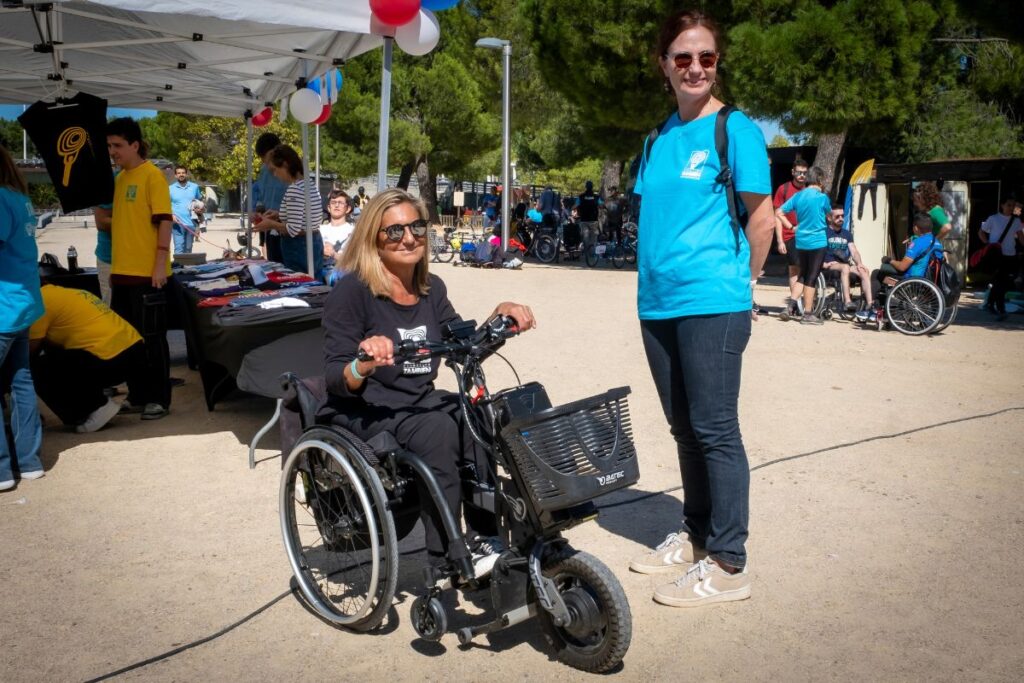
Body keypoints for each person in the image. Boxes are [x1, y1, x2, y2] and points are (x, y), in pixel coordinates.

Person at [626, 9, 774, 607]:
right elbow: (655, 219)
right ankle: (694, 536)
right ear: (664, 65)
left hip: (713, 300)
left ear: (718, 64)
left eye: (706, 58)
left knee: (715, 431)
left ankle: (729, 562)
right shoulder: (656, 139)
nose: (694, 67)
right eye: (682, 57)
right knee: (683, 428)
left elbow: (760, 219)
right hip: (656, 303)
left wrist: (742, 286)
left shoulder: (735, 129)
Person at [321, 188, 536, 576]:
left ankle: (487, 538)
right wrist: (364, 361)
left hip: (416, 402)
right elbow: (336, 378)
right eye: (394, 231)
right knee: (437, 428)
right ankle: (446, 561)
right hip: (366, 409)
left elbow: (461, 346)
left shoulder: (430, 288)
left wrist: (499, 320)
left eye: (416, 227)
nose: (408, 238)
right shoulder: (352, 292)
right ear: (373, 239)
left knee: (477, 414)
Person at [105, 117, 172, 421]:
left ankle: (158, 399)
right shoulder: (119, 179)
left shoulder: (152, 176)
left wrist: (159, 263)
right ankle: (139, 393)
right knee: (128, 339)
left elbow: (165, 221)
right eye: (109, 145)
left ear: (134, 145)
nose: (112, 151)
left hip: (148, 275)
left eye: (117, 145)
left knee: (153, 338)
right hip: (121, 273)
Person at [28, 281, 146, 433]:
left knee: (38, 368)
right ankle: (98, 404)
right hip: (134, 351)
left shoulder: (39, 301)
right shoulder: (66, 292)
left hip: (111, 359)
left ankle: (95, 407)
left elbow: (30, 349)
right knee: (57, 356)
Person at [0, 143, 45, 491]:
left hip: (4, 307)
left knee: (20, 381)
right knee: (21, 380)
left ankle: (2, 470)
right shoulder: (20, 197)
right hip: (23, 302)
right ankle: (29, 461)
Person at [859, 212, 945, 323]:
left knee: (877, 273)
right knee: (885, 273)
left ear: (916, 228)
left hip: (912, 280)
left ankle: (871, 307)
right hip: (929, 282)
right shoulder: (937, 243)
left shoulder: (917, 242)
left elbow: (902, 267)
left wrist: (889, 260)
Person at [253, 144, 324, 278]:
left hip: (298, 247)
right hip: (314, 242)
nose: (275, 175)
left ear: (285, 165)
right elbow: (304, 215)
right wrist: (279, 214)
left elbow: (293, 229)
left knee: (300, 284)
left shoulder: (295, 189)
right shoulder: (309, 184)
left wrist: (270, 224)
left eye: (275, 170)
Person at [776, 166, 831, 324]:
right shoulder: (822, 198)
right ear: (820, 180)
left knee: (803, 274)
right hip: (818, 241)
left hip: (800, 241)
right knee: (811, 278)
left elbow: (779, 212)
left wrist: (791, 227)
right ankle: (807, 314)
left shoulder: (798, 196)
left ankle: (790, 306)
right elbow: (828, 214)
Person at [773, 158, 809, 315]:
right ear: (793, 172)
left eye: (804, 173)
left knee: (800, 269)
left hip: (808, 234)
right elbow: (777, 215)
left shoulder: (810, 190)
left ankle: (796, 304)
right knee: (795, 268)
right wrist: (780, 240)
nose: (801, 176)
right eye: (799, 172)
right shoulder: (784, 189)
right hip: (790, 235)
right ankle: (796, 304)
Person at [822, 201, 873, 310]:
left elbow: (854, 251)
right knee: (845, 267)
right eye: (837, 216)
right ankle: (847, 301)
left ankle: (870, 304)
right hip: (829, 265)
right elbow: (817, 251)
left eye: (842, 216)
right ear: (829, 218)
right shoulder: (824, 233)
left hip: (844, 264)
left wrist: (859, 263)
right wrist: (824, 263)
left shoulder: (847, 234)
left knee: (864, 270)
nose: (841, 218)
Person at [979, 196, 1022, 321]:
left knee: (1002, 282)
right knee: (1000, 282)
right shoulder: (993, 218)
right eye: (1009, 205)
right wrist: (988, 244)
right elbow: (981, 232)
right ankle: (1001, 308)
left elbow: (1020, 236)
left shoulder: (1016, 221)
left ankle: (990, 304)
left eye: (1013, 205)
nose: (1011, 207)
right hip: (996, 255)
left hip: (1011, 254)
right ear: (1002, 205)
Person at [252, 133, 288, 262]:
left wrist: (278, 217)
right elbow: (257, 191)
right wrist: (254, 209)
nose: (266, 164)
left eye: (265, 158)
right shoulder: (264, 170)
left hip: (289, 237)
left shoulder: (296, 181)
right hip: (271, 229)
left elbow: (298, 229)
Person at [321, 189, 355, 284]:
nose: (336, 205)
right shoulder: (320, 230)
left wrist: (333, 254)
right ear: (328, 207)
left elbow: (354, 260)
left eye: (340, 203)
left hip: (341, 275)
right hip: (318, 271)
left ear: (347, 209)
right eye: (333, 202)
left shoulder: (353, 231)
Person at [169, 164, 202, 254]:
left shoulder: (194, 187)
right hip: (177, 224)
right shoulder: (170, 189)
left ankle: (186, 268)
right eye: (179, 173)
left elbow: (199, 202)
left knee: (188, 249)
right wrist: (171, 215)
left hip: (191, 223)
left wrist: (199, 209)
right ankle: (178, 268)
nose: (181, 175)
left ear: (186, 174)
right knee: (179, 249)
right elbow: (165, 205)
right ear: (175, 175)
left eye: (183, 173)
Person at [576, 180, 601, 250]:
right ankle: (593, 251)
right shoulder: (596, 197)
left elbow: (575, 205)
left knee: (585, 236)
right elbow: (602, 205)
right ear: (592, 187)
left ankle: (586, 250)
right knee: (594, 237)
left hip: (584, 220)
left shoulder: (581, 197)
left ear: (586, 187)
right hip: (594, 220)